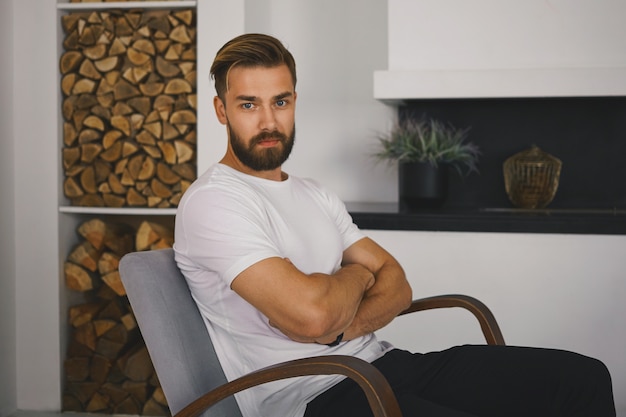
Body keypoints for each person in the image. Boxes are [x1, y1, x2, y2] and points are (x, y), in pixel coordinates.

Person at [173, 33, 616, 417]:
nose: (268, 121)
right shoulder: (216, 202)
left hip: (383, 364)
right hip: (310, 393)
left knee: (582, 379)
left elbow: (398, 284)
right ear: (221, 110)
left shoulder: (313, 193)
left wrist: (342, 325)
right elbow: (312, 318)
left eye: (280, 101)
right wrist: (359, 274)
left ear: (294, 102)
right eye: (248, 104)